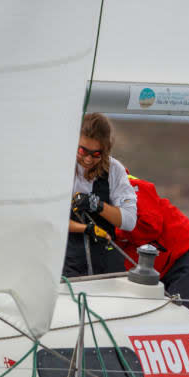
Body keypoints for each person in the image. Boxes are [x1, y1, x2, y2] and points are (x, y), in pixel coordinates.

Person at [115, 176, 189, 326]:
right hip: (157, 270)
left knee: (184, 331)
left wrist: (114, 230)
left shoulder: (128, 185)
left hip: (187, 258)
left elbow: (151, 226)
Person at [63, 113, 137, 277]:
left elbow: (129, 221)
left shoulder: (115, 171)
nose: (88, 160)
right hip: (66, 264)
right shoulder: (62, 166)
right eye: (83, 151)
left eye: (96, 154)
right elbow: (49, 218)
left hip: (104, 268)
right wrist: (86, 229)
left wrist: (97, 205)